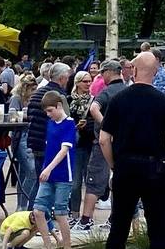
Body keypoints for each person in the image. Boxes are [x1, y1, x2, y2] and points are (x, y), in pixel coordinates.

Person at [100, 52, 165, 249]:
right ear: (156, 72)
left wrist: (114, 165)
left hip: (125, 167)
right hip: (155, 169)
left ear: (134, 70)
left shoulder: (118, 99)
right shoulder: (164, 101)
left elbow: (104, 139)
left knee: (119, 227)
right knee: (158, 228)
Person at [73, 59, 125, 233]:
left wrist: (107, 126)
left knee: (94, 181)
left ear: (109, 72)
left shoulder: (106, 92)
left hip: (103, 143)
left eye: (102, 72)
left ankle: (85, 221)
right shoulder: (128, 90)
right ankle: (114, 219)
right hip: (124, 144)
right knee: (119, 180)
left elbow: (94, 109)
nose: (101, 76)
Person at [34, 91, 76, 249]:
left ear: (59, 106)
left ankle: (67, 245)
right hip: (48, 173)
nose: (48, 114)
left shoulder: (69, 124)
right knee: (38, 210)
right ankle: (48, 244)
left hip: (63, 174)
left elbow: (64, 150)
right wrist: (45, 169)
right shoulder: (50, 123)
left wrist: (48, 169)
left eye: (50, 110)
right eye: (46, 111)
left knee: (60, 212)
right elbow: (49, 148)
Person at [27, 63, 70, 212]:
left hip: (35, 141)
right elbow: (64, 123)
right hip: (51, 145)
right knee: (47, 184)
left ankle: (31, 214)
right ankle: (38, 215)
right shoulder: (58, 97)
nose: (68, 80)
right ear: (62, 78)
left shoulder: (37, 93)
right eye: (67, 77)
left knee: (40, 180)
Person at [10, 73, 39, 211]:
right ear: (25, 88)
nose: (34, 92)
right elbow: (12, 116)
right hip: (21, 136)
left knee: (24, 173)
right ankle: (25, 205)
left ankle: (21, 206)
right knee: (31, 171)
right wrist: (27, 114)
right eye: (32, 89)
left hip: (32, 135)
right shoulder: (16, 99)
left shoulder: (35, 99)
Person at [67, 71, 94, 219]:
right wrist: (74, 126)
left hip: (88, 143)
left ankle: (87, 215)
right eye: (85, 81)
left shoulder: (93, 101)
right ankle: (74, 213)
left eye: (90, 81)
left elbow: (95, 123)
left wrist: (87, 125)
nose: (88, 84)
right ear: (77, 83)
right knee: (75, 183)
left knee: (90, 181)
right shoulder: (68, 100)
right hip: (73, 145)